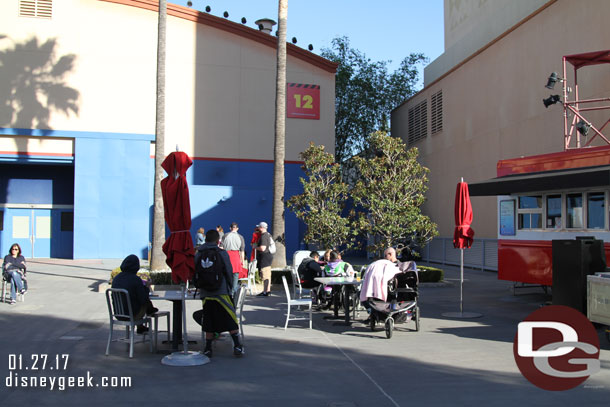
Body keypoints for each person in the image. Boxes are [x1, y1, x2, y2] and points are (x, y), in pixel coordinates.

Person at [194, 229, 243, 357]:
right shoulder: (221, 253)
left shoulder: (198, 254)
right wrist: (231, 288)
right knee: (229, 317)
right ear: (218, 241)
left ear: (205, 239)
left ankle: (208, 348)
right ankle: (237, 345)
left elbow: (195, 272)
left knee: (208, 319)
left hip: (206, 293)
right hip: (221, 292)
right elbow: (229, 271)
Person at [111, 254, 158, 334]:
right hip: (132, 314)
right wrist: (146, 286)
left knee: (135, 303)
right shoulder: (135, 280)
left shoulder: (116, 278)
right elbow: (143, 298)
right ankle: (150, 311)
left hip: (118, 314)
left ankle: (141, 326)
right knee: (143, 302)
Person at [222, 222, 247, 300]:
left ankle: (227, 292)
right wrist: (242, 261)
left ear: (230, 228)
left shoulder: (225, 235)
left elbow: (221, 247)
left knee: (226, 274)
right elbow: (242, 251)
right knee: (235, 275)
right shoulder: (241, 237)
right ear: (237, 228)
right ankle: (234, 293)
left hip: (227, 255)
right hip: (236, 256)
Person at [255, 221, 274, 297]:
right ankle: (267, 291)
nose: (258, 228)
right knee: (267, 275)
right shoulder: (267, 235)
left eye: (259, 227)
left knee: (265, 274)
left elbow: (263, 248)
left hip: (265, 258)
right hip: (267, 257)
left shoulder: (264, 236)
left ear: (262, 228)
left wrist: (255, 247)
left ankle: (265, 291)